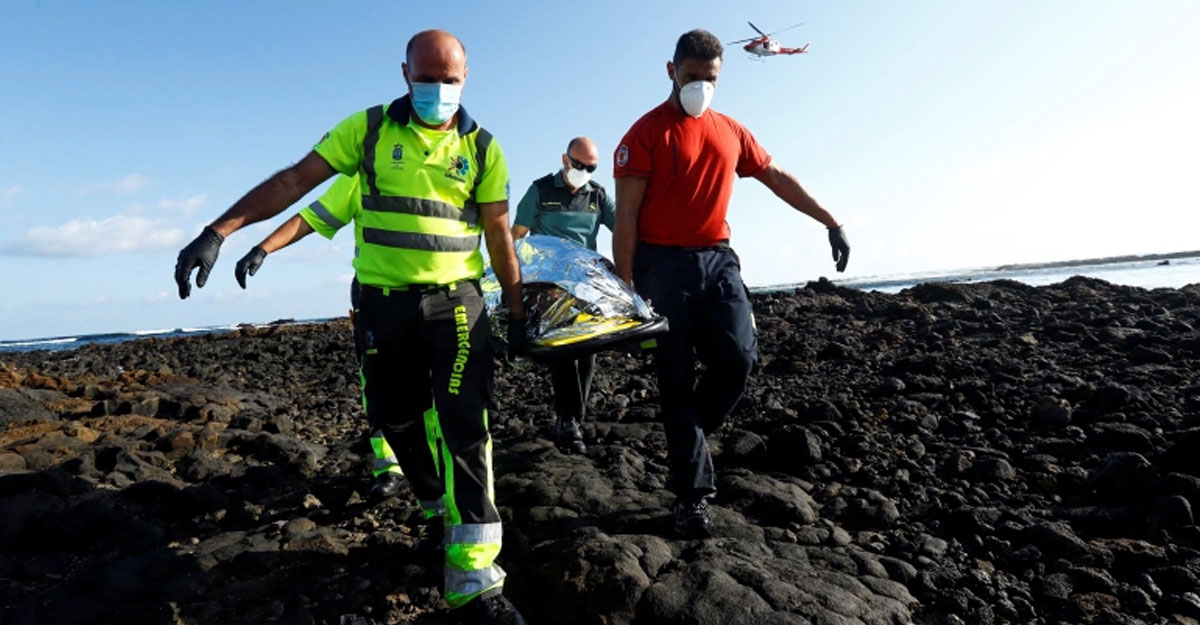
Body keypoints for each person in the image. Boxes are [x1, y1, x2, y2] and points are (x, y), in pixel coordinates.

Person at [174, 29, 528, 624]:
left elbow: (498, 237)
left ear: (466, 77)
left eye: (449, 79)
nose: (438, 89)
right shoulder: (366, 133)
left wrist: (517, 311)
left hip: (456, 304)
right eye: (426, 77)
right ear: (404, 73)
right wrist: (221, 231)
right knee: (394, 417)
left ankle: (475, 578)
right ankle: (436, 507)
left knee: (466, 425)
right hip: (384, 307)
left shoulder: (485, 148)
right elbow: (295, 184)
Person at [612, 29, 850, 539]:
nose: (701, 85)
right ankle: (692, 496)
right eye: (693, 76)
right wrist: (627, 286)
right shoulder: (643, 135)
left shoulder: (731, 130)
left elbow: (777, 176)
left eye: (711, 78)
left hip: (718, 259)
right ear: (671, 70)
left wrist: (830, 220)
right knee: (674, 376)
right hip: (662, 265)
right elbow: (626, 215)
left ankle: (687, 435)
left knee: (739, 358)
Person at [233, 174, 442, 512]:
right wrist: (263, 248)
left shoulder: (444, 169)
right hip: (375, 295)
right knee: (378, 387)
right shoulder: (363, 175)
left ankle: (434, 468)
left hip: (439, 294)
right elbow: (314, 215)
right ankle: (391, 467)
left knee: (435, 387)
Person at [511, 137, 615, 454]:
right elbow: (516, 237)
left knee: (589, 351)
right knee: (563, 350)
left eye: (591, 167)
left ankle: (573, 418)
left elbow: (624, 227)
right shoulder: (540, 190)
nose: (584, 171)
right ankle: (567, 422)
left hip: (587, 284)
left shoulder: (598, 196)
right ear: (565, 159)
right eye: (579, 164)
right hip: (549, 285)